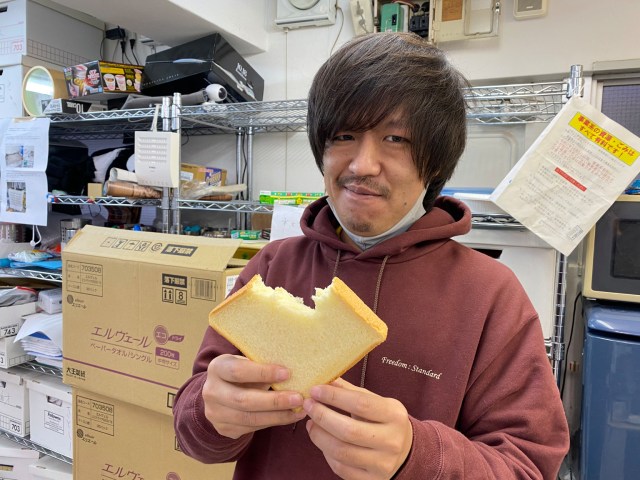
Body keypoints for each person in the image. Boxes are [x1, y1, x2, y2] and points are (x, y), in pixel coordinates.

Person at [173, 32, 569, 479]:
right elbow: (193, 431)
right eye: (343, 135)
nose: (361, 165)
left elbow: (528, 465)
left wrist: (418, 457)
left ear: (436, 162)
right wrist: (210, 412)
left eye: (395, 138)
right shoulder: (272, 266)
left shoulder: (490, 293)